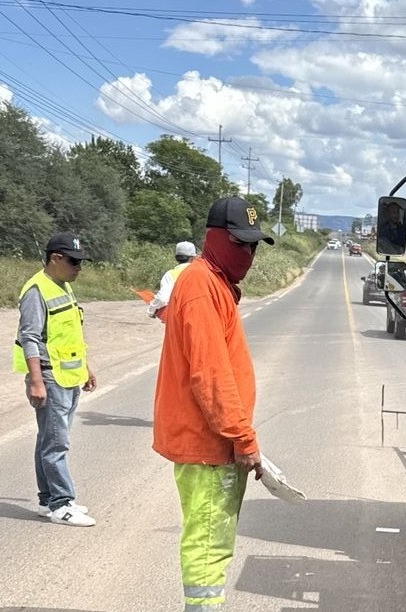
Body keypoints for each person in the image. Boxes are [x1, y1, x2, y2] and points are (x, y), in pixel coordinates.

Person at [153, 196, 275, 612]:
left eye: (254, 246)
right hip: (209, 447)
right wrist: (243, 438)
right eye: (241, 244)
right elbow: (211, 376)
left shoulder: (213, 284)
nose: (249, 255)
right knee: (208, 545)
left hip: (215, 444)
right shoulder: (202, 287)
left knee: (214, 542)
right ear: (215, 239)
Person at [14, 232, 98, 527]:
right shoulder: (37, 290)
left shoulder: (61, 286)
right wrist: (36, 380)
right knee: (56, 444)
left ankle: (48, 499)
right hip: (49, 377)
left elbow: (69, 333)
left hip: (67, 376)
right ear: (55, 258)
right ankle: (62, 504)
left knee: (47, 440)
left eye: (81, 262)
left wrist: (86, 368)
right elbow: (30, 337)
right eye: (74, 262)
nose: (79, 267)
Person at [147, 241, 198, 322]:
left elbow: (162, 298)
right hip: (201, 316)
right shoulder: (201, 273)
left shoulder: (171, 274)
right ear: (193, 258)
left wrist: (151, 310)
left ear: (176, 258)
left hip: (179, 318)